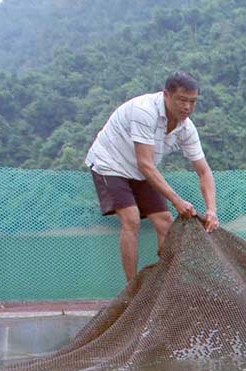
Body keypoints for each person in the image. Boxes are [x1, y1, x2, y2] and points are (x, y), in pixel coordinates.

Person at [85, 71, 220, 284]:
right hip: (111, 164)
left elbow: (204, 171)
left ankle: (166, 283)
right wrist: (177, 200)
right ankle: (132, 289)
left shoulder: (187, 129)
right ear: (166, 95)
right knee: (131, 218)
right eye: (182, 100)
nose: (187, 107)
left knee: (165, 221)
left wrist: (212, 210)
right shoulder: (145, 112)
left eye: (192, 102)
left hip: (141, 169)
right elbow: (145, 164)